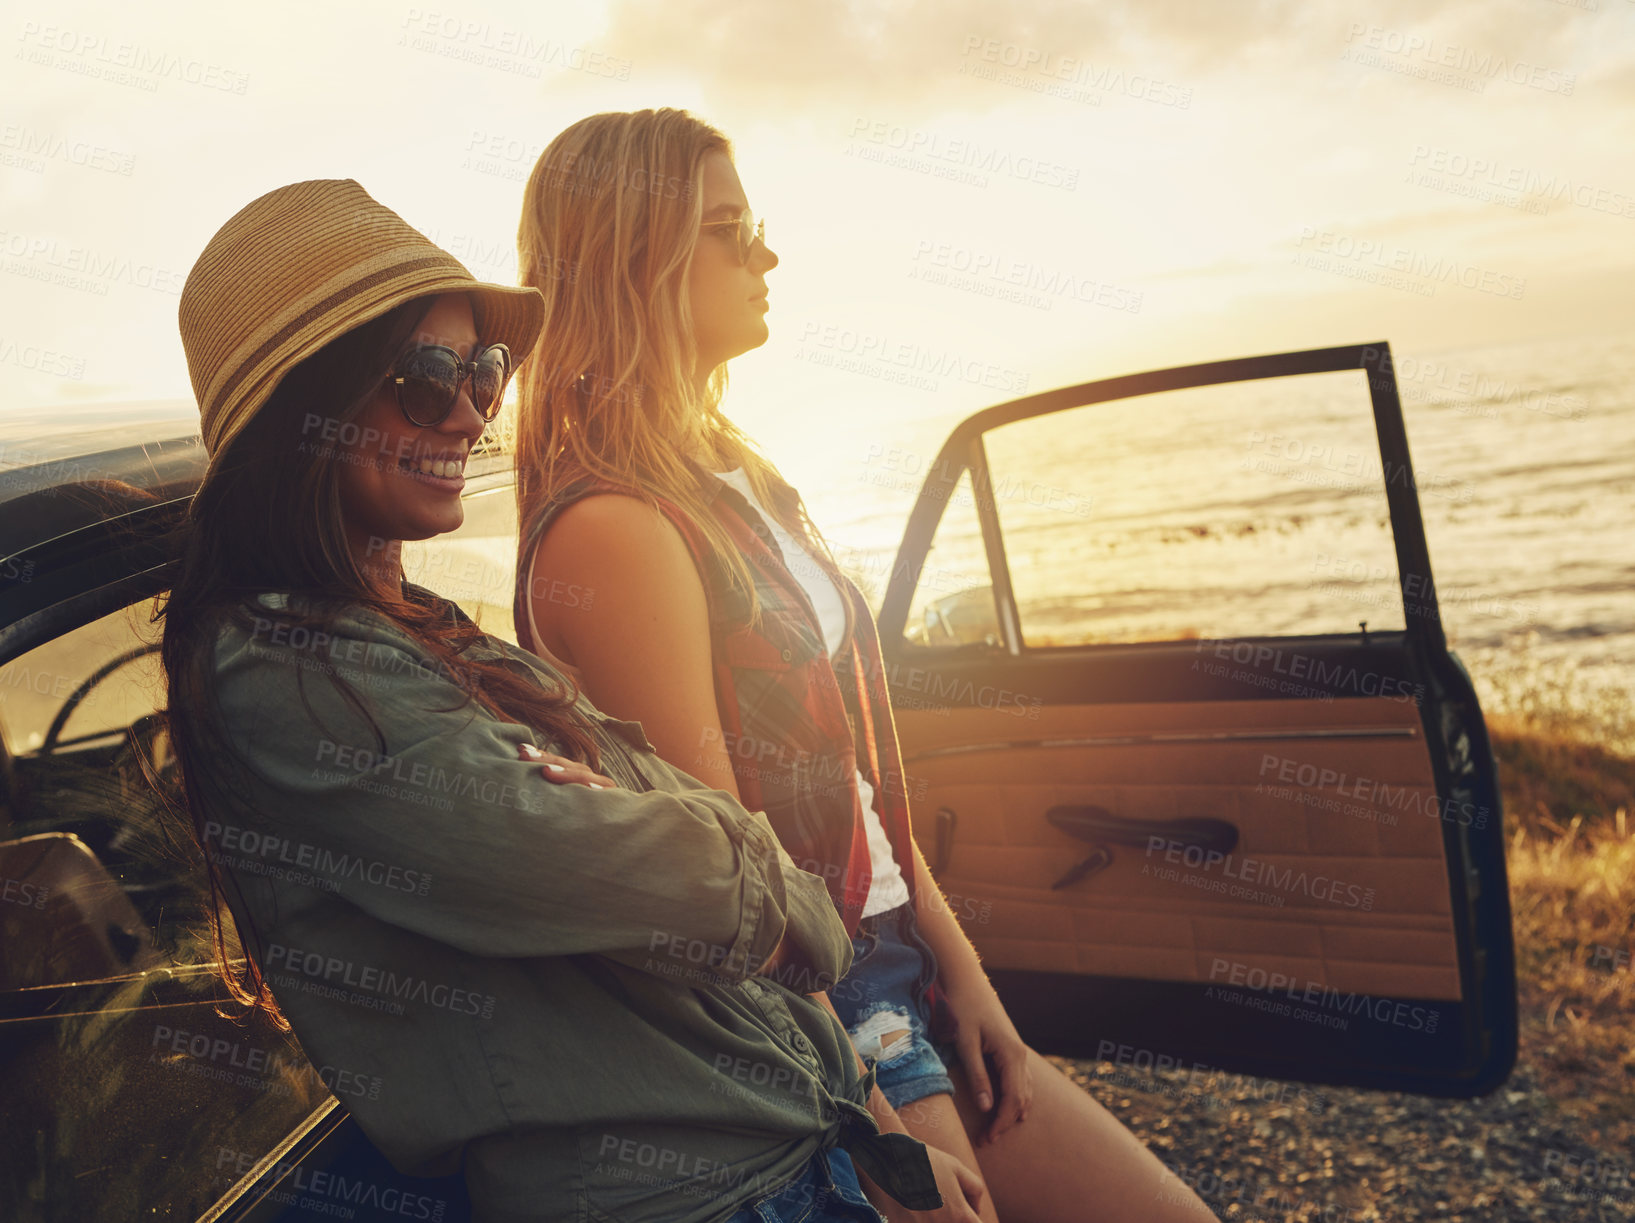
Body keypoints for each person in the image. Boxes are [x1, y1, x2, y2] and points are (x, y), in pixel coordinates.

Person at [160, 177, 950, 1223]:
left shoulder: (416, 624)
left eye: (482, 369)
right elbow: (650, 865)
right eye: (426, 375)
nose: (473, 406)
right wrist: (785, 897)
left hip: (781, 1139)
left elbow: (649, 816)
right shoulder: (283, 672)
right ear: (298, 413)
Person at [511, 110, 1214, 1223]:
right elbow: (726, 885)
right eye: (730, 231)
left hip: (898, 961)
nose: (767, 257)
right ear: (634, 258)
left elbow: (849, 777)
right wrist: (875, 1130)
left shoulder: (739, 470)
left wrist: (961, 964)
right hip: (827, 1003)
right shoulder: (614, 529)